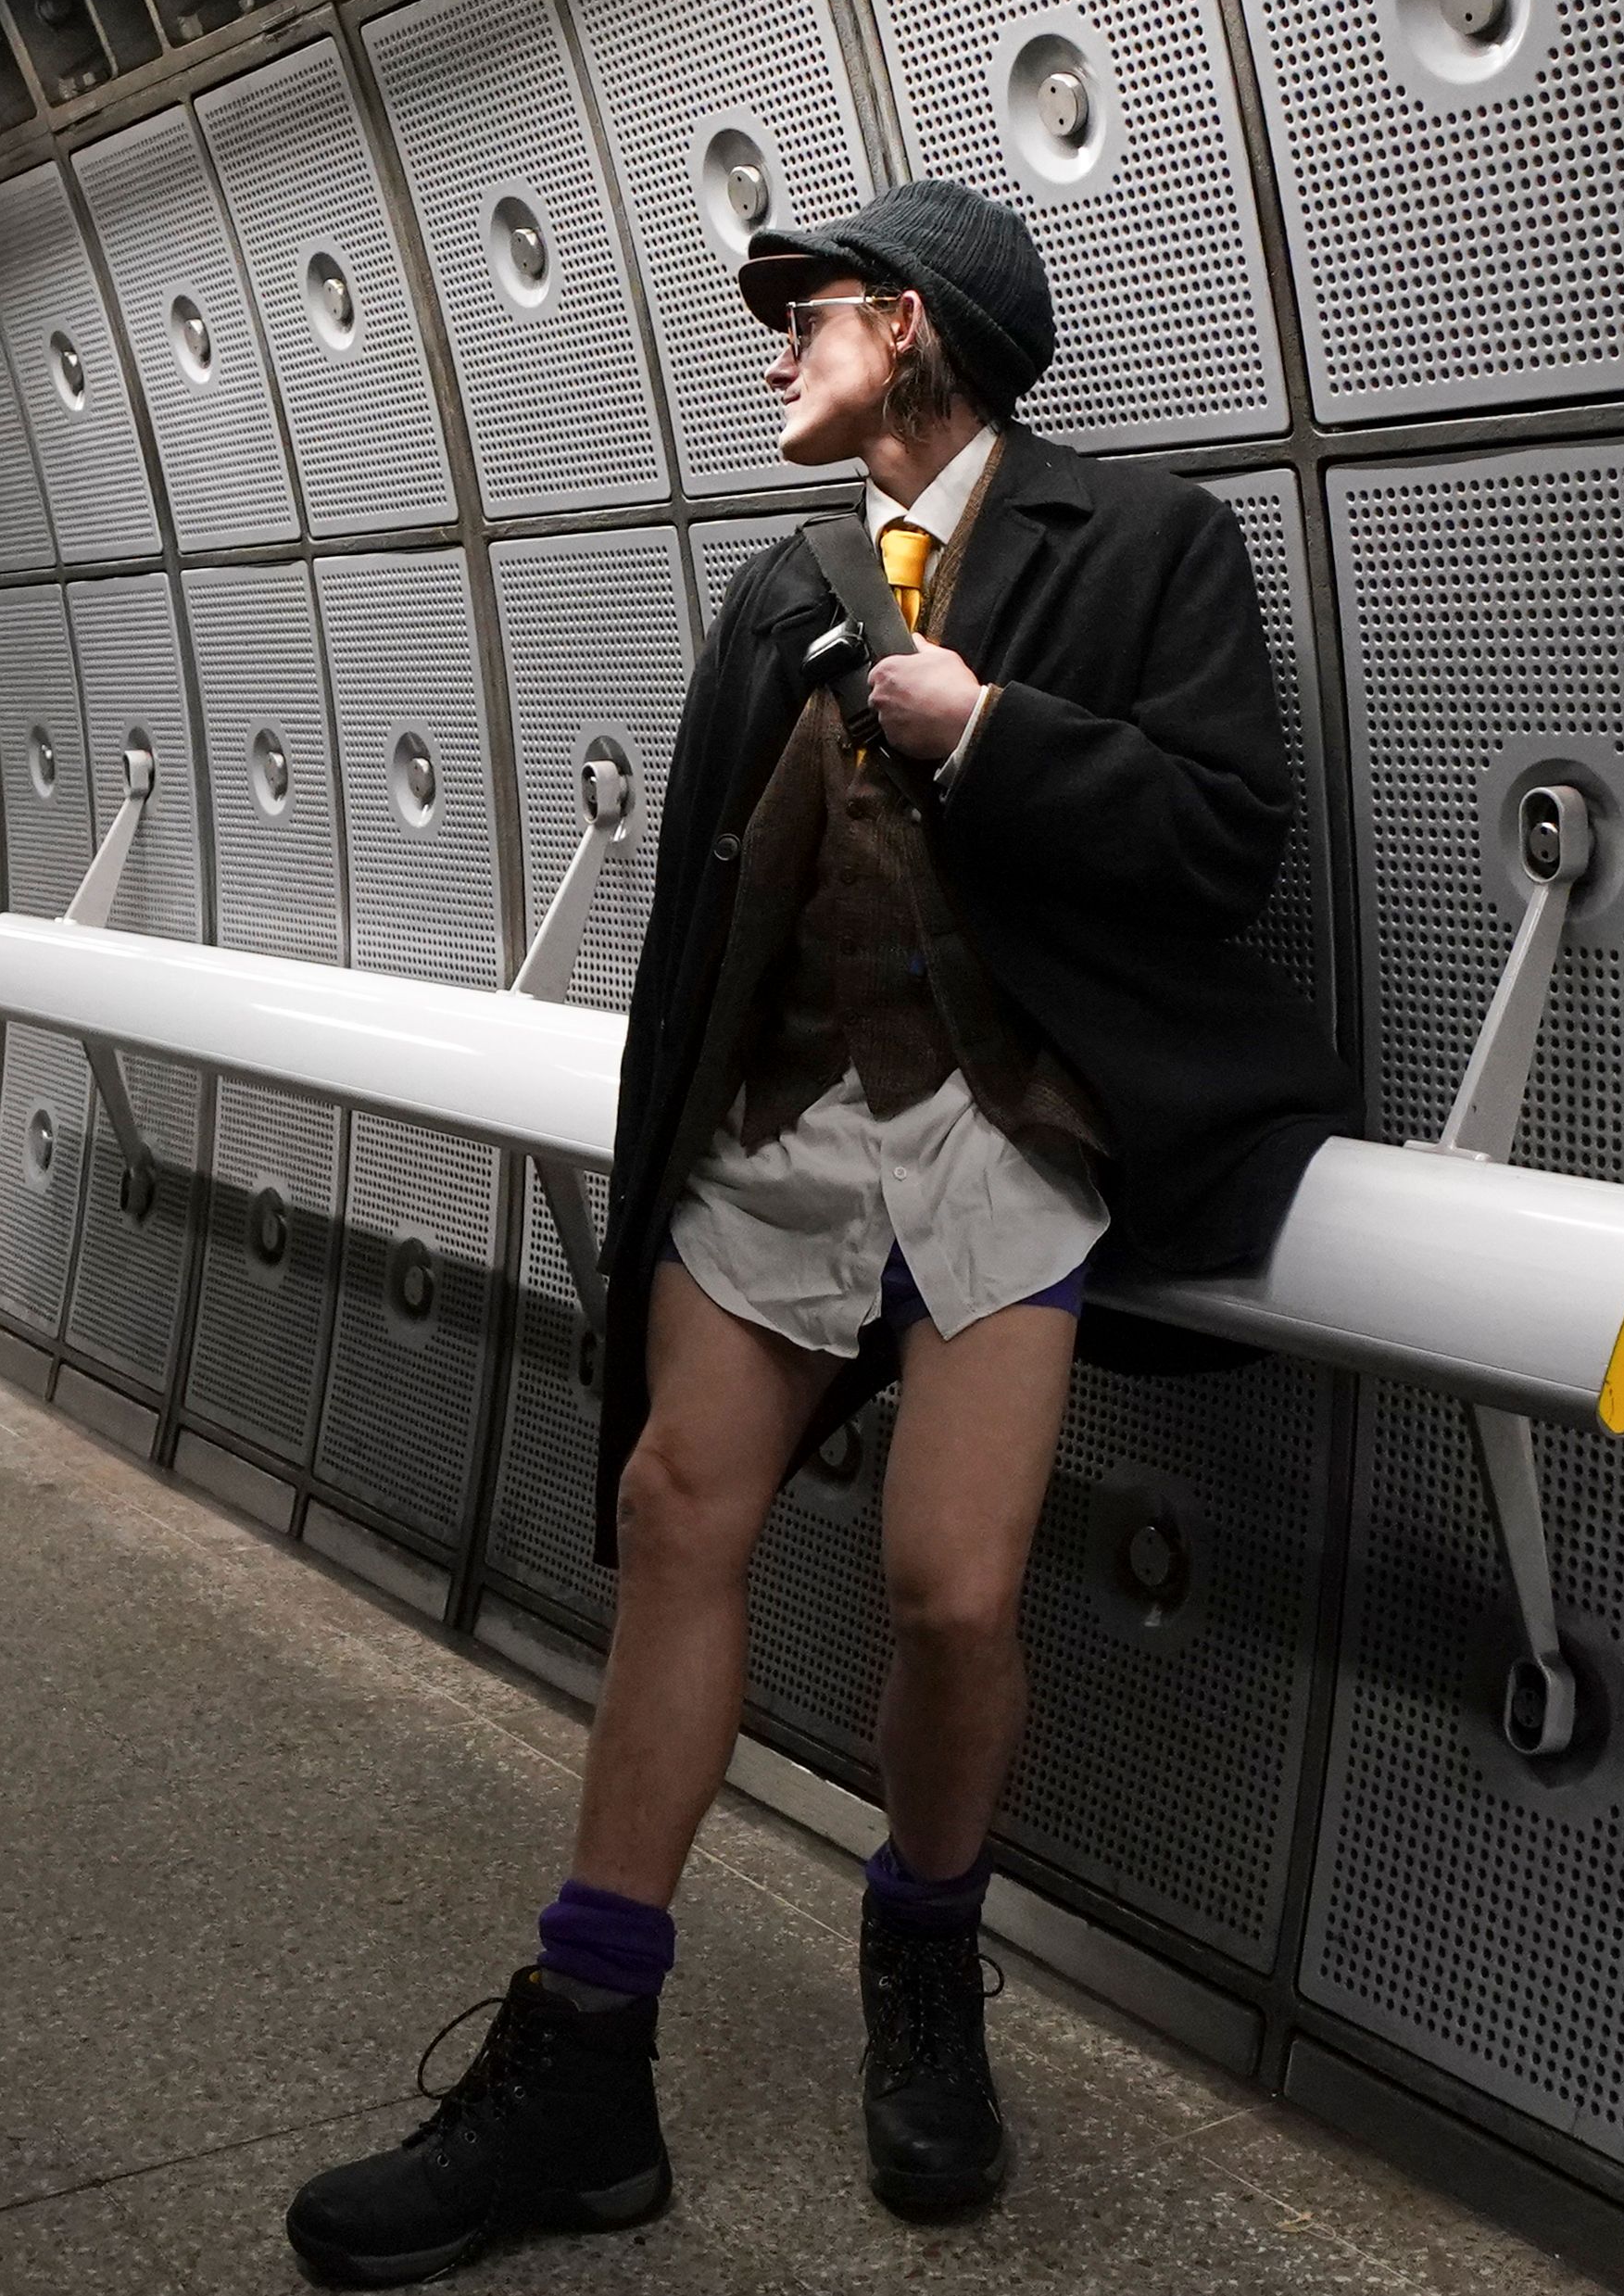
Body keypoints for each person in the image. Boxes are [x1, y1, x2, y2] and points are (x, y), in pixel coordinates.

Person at [284, 182, 1353, 2283]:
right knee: (680, 1503)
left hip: (1001, 1124)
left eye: (811, 314)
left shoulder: (1139, 541)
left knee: (948, 1591)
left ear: (924, 327)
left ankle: (925, 1951)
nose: (774, 350)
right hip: (775, 1125)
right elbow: (705, 912)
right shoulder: (778, 589)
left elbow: (1229, 838)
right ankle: (580, 2053)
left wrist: (998, 734)